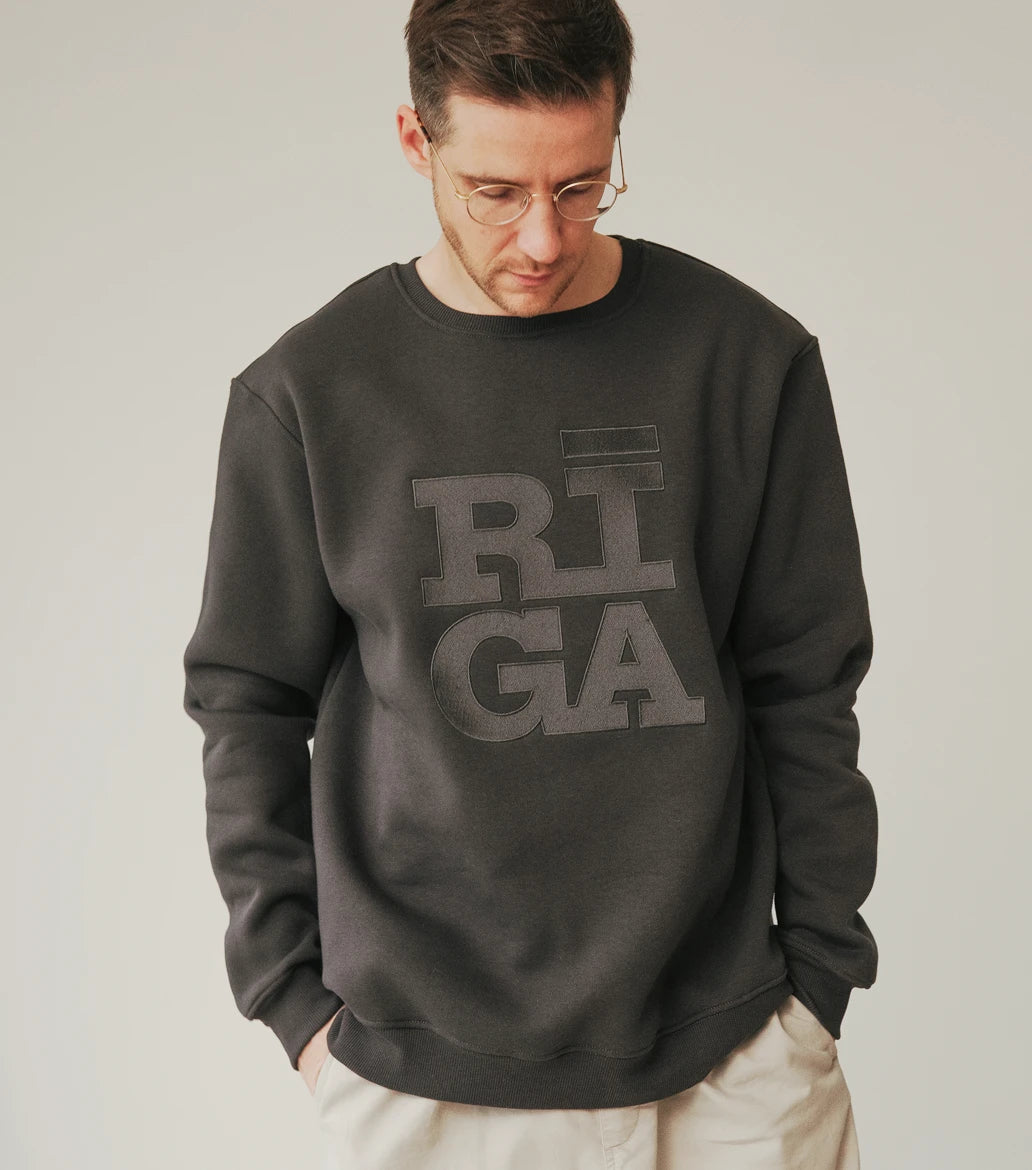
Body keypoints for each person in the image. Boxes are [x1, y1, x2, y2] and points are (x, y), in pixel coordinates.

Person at [181, 1, 879, 1166]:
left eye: (582, 185)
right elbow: (245, 702)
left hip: (737, 1062)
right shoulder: (309, 394)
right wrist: (293, 1004)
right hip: (427, 1079)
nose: (544, 238)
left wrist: (818, 981)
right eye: (495, 192)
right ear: (416, 141)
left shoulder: (746, 361)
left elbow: (808, 682)